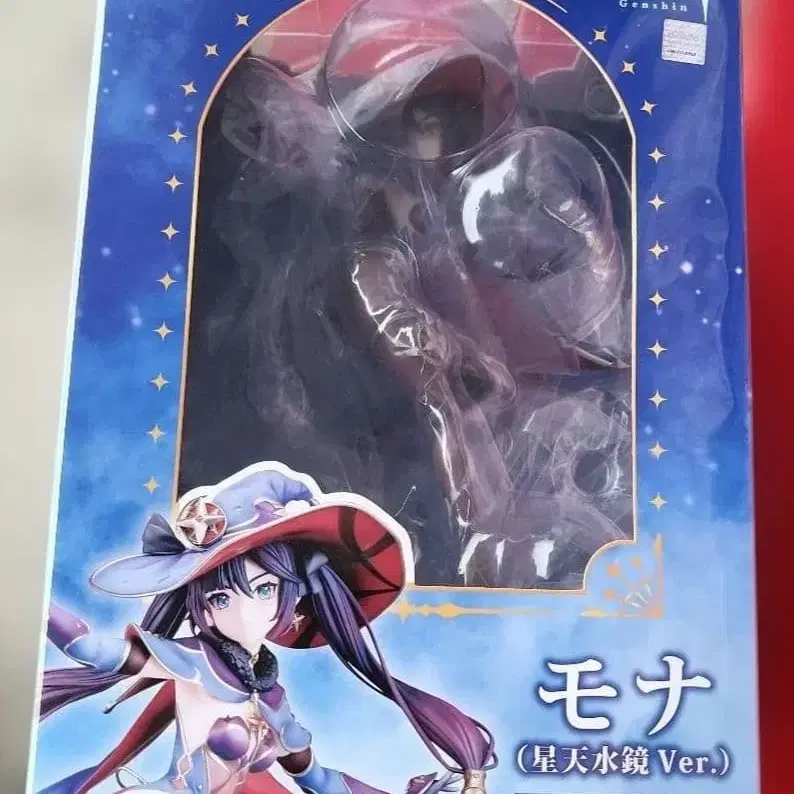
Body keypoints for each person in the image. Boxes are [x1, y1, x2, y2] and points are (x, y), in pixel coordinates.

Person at [40, 462, 495, 794]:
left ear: (291, 595)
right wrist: (36, 599)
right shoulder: (194, 660)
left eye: (264, 589)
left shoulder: (273, 699)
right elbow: (93, 649)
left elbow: (320, 780)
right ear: (204, 610)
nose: (243, 613)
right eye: (221, 598)